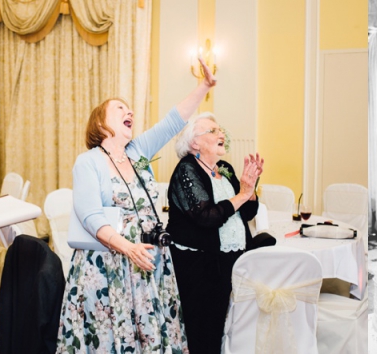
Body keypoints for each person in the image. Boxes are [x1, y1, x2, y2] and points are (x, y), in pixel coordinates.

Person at [55, 58, 215, 353]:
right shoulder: (89, 161)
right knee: (109, 338)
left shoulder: (138, 151)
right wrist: (128, 248)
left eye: (129, 108)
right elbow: (91, 217)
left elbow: (172, 122)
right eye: (119, 108)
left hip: (147, 262)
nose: (129, 111)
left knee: (148, 335)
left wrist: (204, 86)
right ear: (100, 123)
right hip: (108, 266)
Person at [166, 112, 263, 353]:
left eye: (221, 130)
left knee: (229, 325)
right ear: (194, 143)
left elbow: (247, 212)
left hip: (232, 258)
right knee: (204, 331)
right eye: (212, 130)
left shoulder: (224, 168)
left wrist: (249, 189)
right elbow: (206, 217)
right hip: (200, 265)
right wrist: (240, 195)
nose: (221, 134)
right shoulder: (186, 171)